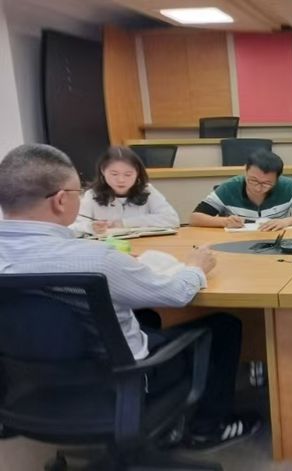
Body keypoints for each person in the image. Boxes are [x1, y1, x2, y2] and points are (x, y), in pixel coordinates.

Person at [0, 144, 259, 449]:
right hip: (118, 378)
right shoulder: (96, 259)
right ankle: (208, 428)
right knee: (224, 326)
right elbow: (177, 294)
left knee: (144, 315)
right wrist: (195, 267)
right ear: (60, 200)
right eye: (76, 191)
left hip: (28, 384)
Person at [190, 150, 292, 231]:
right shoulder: (229, 187)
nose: (258, 188)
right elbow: (195, 218)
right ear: (245, 170)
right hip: (234, 244)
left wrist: (287, 221)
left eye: (267, 183)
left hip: (276, 241)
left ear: (277, 178)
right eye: (253, 180)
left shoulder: (287, 186)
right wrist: (224, 221)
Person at [71, 146, 179, 235]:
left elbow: (172, 219)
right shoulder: (91, 195)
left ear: (137, 173)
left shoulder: (147, 190)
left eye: (128, 174)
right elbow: (72, 227)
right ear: (103, 171)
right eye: (114, 174)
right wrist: (90, 227)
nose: (121, 180)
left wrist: (125, 223)